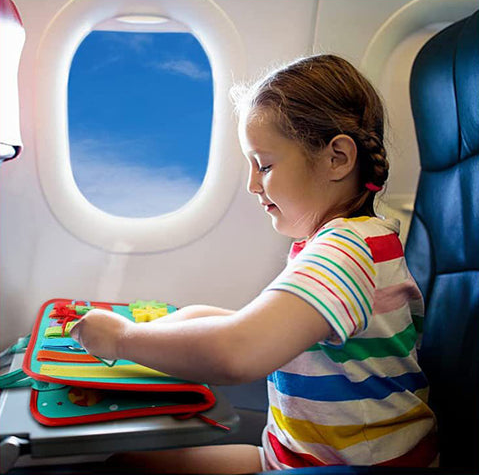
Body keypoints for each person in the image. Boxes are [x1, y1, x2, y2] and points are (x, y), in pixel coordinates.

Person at [70, 54, 437, 473]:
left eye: (264, 165)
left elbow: (239, 353)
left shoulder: (347, 251)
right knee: (128, 462)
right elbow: (269, 329)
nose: (251, 184)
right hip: (294, 458)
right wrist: (175, 323)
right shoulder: (351, 242)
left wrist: (122, 339)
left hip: (349, 468)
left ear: (337, 158)